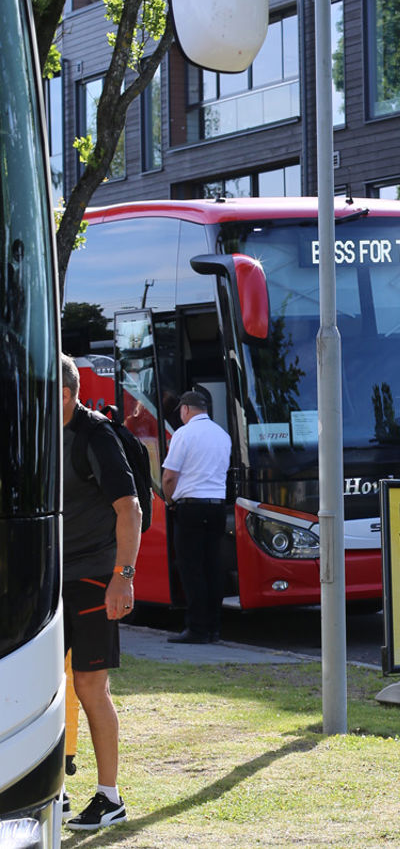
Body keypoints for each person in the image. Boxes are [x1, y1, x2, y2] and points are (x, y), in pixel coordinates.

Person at [60, 354, 141, 830]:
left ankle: (110, 798)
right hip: (50, 581)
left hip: (94, 578)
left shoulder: (95, 436)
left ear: (65, 394)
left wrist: (122, 576)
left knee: (91, 687)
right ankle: (54, 789)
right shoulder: (40, 435)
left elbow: (130, 509)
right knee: (43, 687)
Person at [161, 390, 231, 644]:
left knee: (192, 568)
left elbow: (169, 477)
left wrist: (170, 501)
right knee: (212, 567)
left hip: (191, 507)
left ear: (185, 409)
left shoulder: (183, 434)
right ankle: (214, 628)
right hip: (217, 507)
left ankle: (197, 629)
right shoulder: (223, 435)